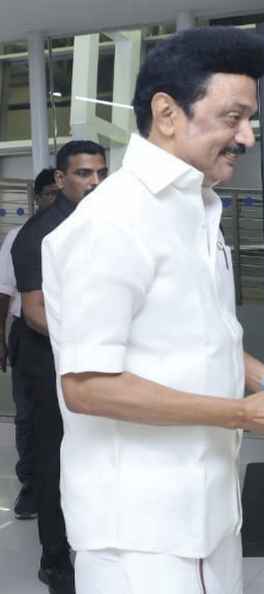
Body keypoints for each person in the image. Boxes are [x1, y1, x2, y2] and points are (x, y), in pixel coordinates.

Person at [41, 27, 264, 594]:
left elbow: (200, 333)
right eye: (232, 117)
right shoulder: (112, 223)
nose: (246, 136)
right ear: (167, 113)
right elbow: (88, 386)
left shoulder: (196, 208)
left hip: (207, 508)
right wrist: (245, 413)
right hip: (143, 533)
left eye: (249, 119)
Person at [12, 142, 107, 594]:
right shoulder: (40, 234)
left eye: (100, 174)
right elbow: (34, 311)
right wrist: (91, 345)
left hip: (94, 356)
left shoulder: (104, 224)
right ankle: (55, 562)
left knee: (100, 452)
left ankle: (99, 545)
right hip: (49, 358)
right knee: (56, 461)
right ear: (60, 179)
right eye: (85, 174)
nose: (94, 183)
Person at [1, 167, 57, 521]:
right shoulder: (19, 237)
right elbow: (4, 292)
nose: (55, 198)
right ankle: (32, 485)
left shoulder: (84, 235)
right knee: (28, 415)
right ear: (37, 197)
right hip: (29, 334)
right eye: (49, 192)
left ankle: (65, 486)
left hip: (72, 335)